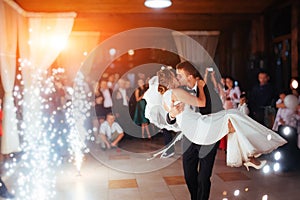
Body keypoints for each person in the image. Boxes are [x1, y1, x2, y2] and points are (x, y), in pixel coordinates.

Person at [144, 66, 287, 199]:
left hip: (205, 130)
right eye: (176, 76)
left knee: (205, 175)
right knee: (190, 175)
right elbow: (171, 118)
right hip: (193, 133)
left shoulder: (204, 89)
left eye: (180, 75)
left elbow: (213, 105)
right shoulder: (177, 92)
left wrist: (201, 88)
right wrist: (173, 114)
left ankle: (248, 156)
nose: (178, 78)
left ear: (190, 76)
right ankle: (248, 157)